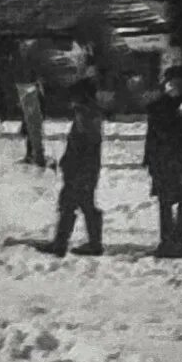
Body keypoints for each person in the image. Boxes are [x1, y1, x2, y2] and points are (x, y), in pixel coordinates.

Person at [143, 66, 182, 258]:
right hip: (163, 159)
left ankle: (180, 242)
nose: (173, 87)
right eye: (170, 83)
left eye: (177, 83)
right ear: (164, 84)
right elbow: (152, 135)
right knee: (164, 202)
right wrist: (149, 159)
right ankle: (166, 242)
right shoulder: (156, 106)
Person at [39, 77, 104, 257]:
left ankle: (64, 244)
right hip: (85, 168)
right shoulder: (89, 113)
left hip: (81, 169)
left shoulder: (86, 115)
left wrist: (70, 163)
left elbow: (83, 145)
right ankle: (89, 242)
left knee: (72, 204)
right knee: (80, 203)